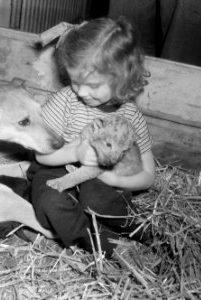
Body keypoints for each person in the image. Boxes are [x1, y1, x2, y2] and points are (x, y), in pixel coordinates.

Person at [26, 17, 156, 258]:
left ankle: (145, 234)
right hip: (57, 167)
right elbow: (41, 155)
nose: (82, 92)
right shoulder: (66, 101)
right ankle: (104, 245)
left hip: (102, 177)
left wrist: (112, 178)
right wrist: (75, 153)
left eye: (93, 85)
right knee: (48, 201)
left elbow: (148, 176)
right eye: (75, 81)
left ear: (121, 79)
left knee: (97, 198)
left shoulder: (130, 116)